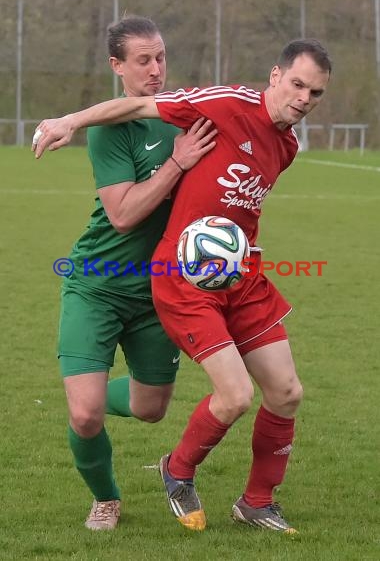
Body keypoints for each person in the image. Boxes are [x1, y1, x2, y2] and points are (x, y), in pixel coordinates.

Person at [32, 38, 331, 534]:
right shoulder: (225, 104)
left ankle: (257, 501)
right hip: (173, 277)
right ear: (275, 76)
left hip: (238, 277)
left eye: (315, 93)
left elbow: (236, 208)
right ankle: (170, 471)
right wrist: (70, 121)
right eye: (297, 84)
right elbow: (136, 122)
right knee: (230, 396)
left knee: (286, 392)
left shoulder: (289, 146)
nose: (303, 97)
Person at [35, 15, 216, 531]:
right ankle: (106, 498)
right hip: (96, 283)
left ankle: (83, 392)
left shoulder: (185, 114)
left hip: (159, 290)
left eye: (161, 57)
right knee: (87, 415)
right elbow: (123, 213)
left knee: (151, 409)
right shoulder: (110, 130)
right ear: (118, 67)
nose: (156, 70)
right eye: (143, 60)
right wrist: (177, 164)